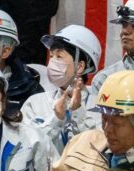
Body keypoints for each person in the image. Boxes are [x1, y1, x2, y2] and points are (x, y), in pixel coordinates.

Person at [23, 25, 103, 156]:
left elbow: (99, 150)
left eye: (59, 56)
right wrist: (56, 119)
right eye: (51, 56)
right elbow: (26, 149)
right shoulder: (35, 103)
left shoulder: (101, 107)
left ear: (80, 66)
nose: (52, 62)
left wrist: (78, 112)